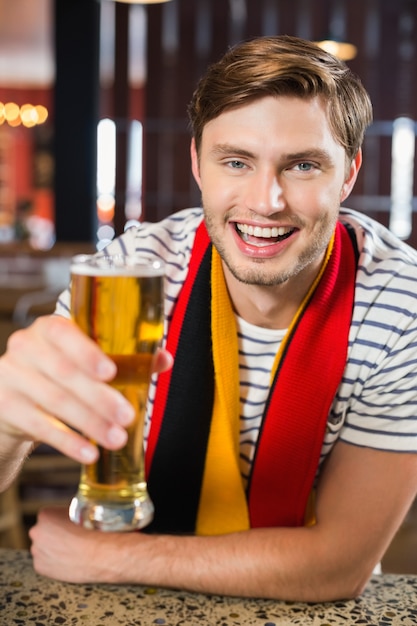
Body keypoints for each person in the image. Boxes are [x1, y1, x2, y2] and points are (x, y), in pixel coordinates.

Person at [1, 34, 417, 603]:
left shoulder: (403, 305)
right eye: (237, 161)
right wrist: (5, 423)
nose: (266, 200)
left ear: (348, 175)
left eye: (302, 165)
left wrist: (109, 556)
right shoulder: (127, 274)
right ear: (198, 163)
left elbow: (336, 565)